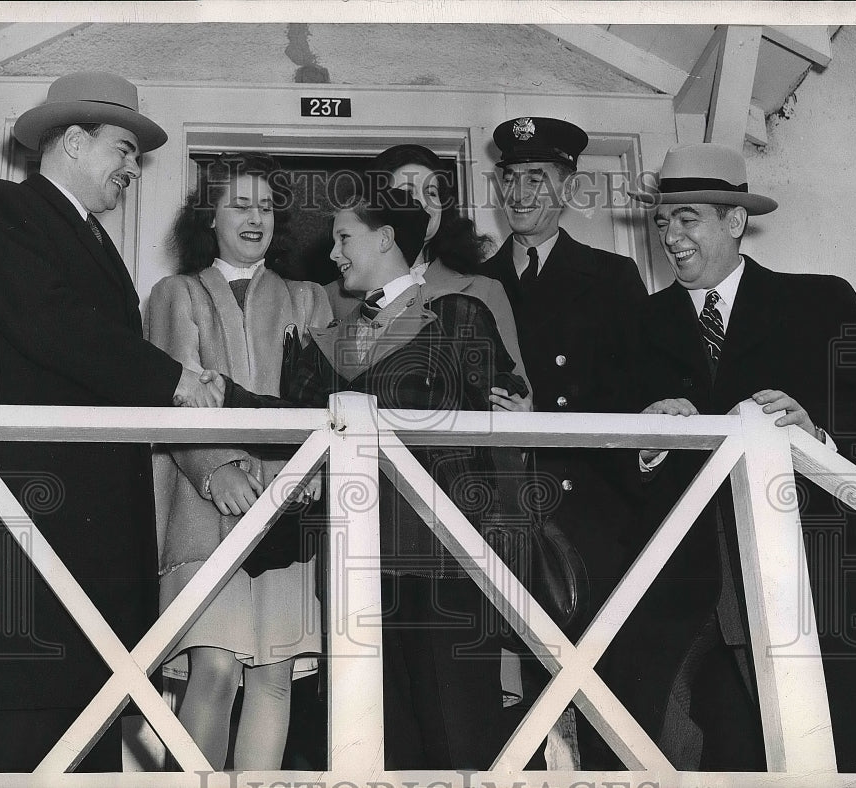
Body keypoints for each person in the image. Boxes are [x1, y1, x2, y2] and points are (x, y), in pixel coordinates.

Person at [0, 71, 225, 773]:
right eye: (123, 149)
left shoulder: (92, 240)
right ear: (72, 141)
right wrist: (176, 380)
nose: (134, 167)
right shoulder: (7, 208)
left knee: (87, 744)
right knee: (12, 747)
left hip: (90, 557)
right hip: (32, 532)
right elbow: (59, 329)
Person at [219, 188, 534, 769]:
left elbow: (504, 419)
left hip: (448, 566)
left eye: (344, 238)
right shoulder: (326, 344)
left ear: (386, 237)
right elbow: (300, 428)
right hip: (356, 568)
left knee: (460, 742)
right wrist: (222, 396)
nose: (334, 254)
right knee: (376, 747)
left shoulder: (460, 316)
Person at [619, 142, 856, 781]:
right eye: (662, 221)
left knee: (850, 746)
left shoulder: (821, 301)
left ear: (735, 221)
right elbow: (614, 465)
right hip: (691, 587)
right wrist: (649, 444)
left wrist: (815, 436)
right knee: (712, 753)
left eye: (687, 218)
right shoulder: (636, 323)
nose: (670, 236)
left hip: (818, 575)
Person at [146, 153, 331, 770]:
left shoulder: (309, 299)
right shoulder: (177, 293)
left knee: (275, 675)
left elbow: (324, 402)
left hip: (286, 507)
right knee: (216, 667)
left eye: (268, 206)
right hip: (202, 511)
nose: (256, 218)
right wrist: (215, 467)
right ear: (210, 217)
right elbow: (166, 397)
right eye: (240, 204)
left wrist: (300, 474)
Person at [479, 116, 649, 767]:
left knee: (603, 692)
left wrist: (541, 410)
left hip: (593, 513)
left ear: (569, 186)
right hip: (504, 510)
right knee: (517, 695)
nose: (521, 193)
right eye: (511, 178)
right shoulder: (478, 281)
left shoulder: (612, 276)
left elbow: (637, 391)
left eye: (538, 178)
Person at [326, 143, 530, 393]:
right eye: (407, 192)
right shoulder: (332, 296)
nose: (423, 203)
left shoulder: (484, 290)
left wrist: (517, 404)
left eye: (432, 193)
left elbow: (516, 392)